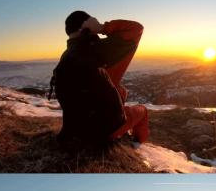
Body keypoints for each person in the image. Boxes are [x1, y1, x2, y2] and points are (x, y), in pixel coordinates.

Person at [51, 10, 149, 150]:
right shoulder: (96, 49)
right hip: (101, 131)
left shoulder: (67, 55)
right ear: (87, 26)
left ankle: (118, 130)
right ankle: (136, 144)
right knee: (143, 111)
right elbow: (136, 29)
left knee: (120, 90)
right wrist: (102, 28)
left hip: (76, 128)